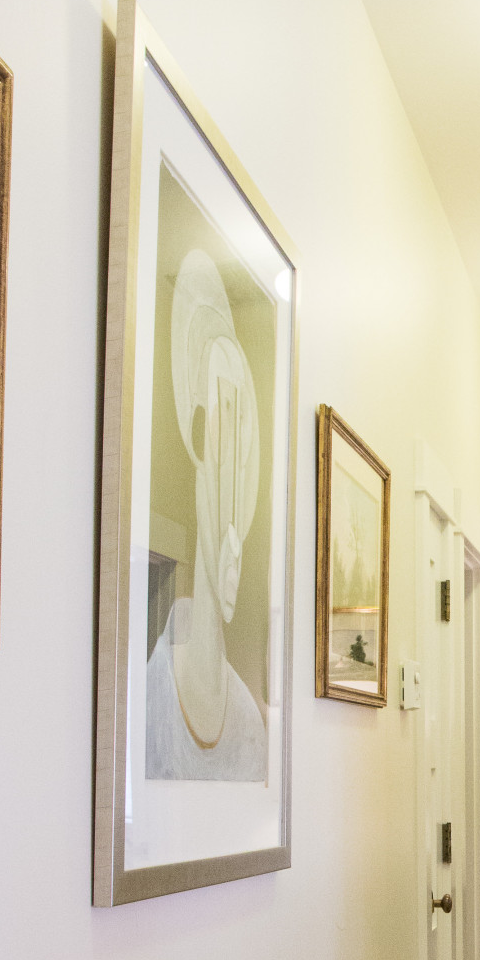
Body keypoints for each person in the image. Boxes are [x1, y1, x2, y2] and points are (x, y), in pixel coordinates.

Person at [145, 248, 267, 781]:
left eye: (246, 451)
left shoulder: (249, 724)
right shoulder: (148, 698)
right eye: (220, 431)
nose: (232, 477)